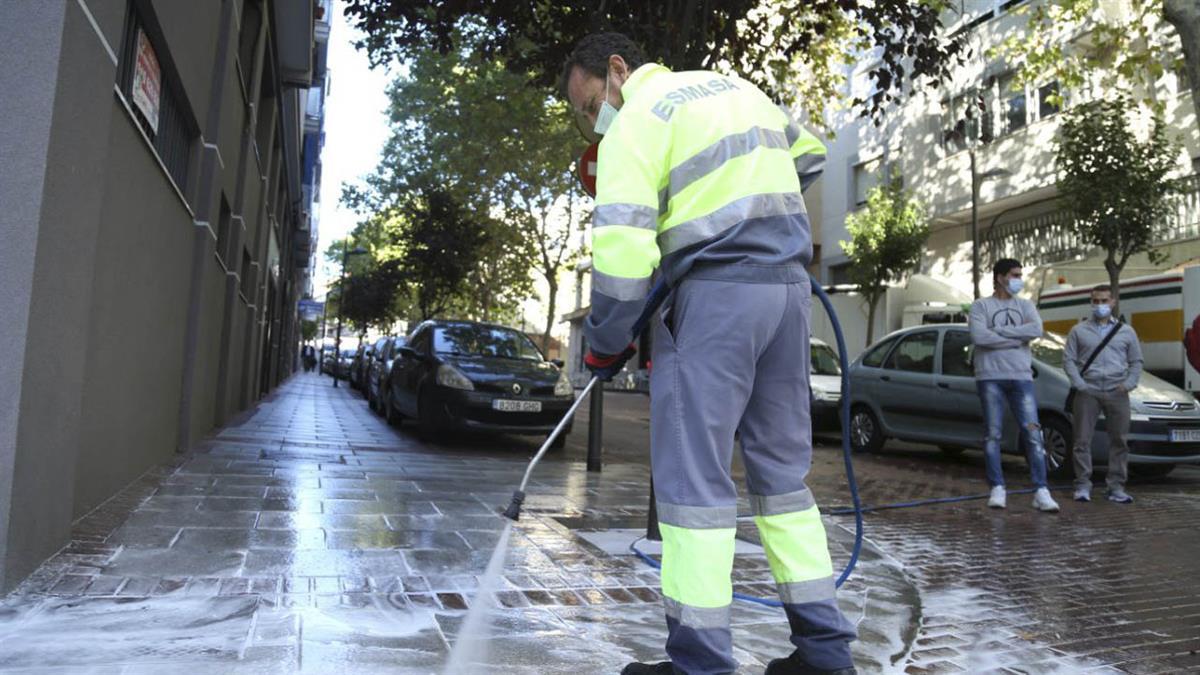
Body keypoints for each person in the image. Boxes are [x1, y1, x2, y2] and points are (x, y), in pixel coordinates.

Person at [561, 33, 855, 675]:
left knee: (693, 488)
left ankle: (700, 664)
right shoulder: (738, 89)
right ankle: (825, 652)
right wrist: (742, 210)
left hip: (716, 300)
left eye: (589, 106)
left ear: (617, 69)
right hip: (787, 296)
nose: (594, 122)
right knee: (783, 481)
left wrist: (605, 345)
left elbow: (620, 263)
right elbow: (808, 154)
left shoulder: (637, 122)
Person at [968, 258, 1060, 513]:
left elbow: (1037, 330)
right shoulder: (980, 306)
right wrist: (1017, 336)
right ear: (999, 277)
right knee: (992, 434)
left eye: (1020, 274)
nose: (1019, 279)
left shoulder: (1026, 305)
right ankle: (997, 487)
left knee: (1033, 433)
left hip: (1021, 377)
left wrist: (999, 333)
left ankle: (1041, 490)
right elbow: (978, 337)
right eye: (1015, 274)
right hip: (989, 377)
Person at [1063, 285, 1143, 504]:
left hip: (1117, 391)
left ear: (1113, 302)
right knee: (1081, 440)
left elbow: (1136, 361)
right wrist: (1079, 384)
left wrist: (1128, 384)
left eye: (1104, 301)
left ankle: (1116, 487)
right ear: (1091, 302)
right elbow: (1068, 359)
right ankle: (1082, 486)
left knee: (1119, 440)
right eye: (1096, 301)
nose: (1100, 305)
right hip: (1088, 390)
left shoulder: (1127, 331)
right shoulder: (1078, 330)